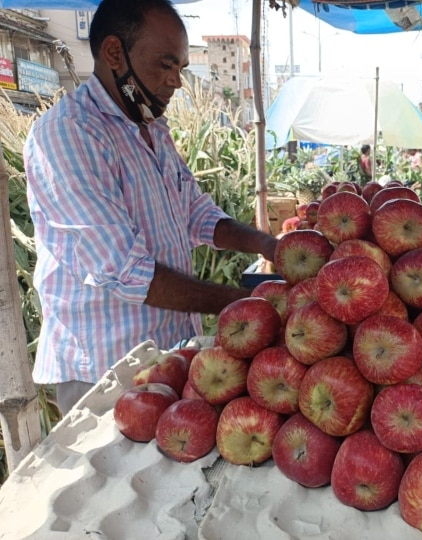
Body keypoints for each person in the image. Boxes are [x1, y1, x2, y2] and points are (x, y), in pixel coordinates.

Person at [24, 0, 279, 415]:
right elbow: (124, 268)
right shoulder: (69, 134)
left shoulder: (151, 128)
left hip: (165, 356)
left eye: (180, 66)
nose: (177, 81)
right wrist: (242, 304)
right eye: (166, 64)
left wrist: (267, 245)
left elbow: (197, 214)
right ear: (113, 53)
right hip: (107, 369)